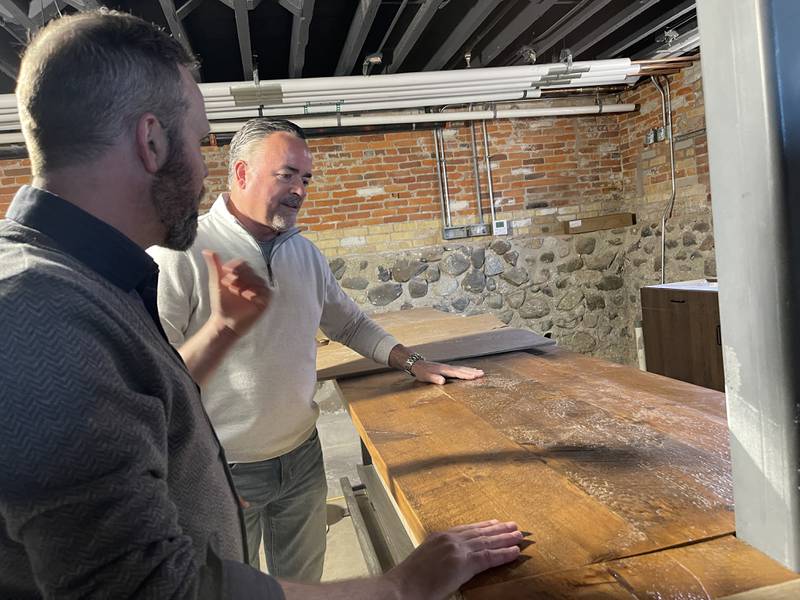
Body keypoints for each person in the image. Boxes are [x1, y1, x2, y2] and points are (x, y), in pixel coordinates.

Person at [0, 9, 522, 599]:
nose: (202, 168)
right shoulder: (37, 310)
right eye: (199, 142)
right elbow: (152, 588)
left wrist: (223, 343)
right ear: (151, 141)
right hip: (239, 467)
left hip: (292, 455)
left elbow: (153, 403)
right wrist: (399, 587)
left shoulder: (87, 281)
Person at [151, 118, 487, 581]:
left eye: (305, 178)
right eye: (286, 174)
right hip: (222, 468)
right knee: (229, 589)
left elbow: (347, 321)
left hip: (302, 456)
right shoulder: (182, 252)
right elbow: (153, 375)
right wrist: (190, 472)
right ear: (242, 173)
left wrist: (413, 361)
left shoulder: (303, 253)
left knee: (304, 581)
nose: (299, 190)